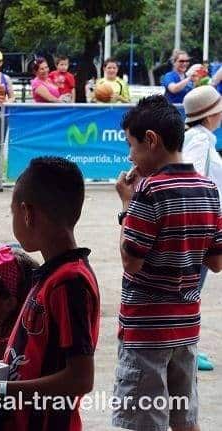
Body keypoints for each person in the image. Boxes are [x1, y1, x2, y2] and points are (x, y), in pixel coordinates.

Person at [0, 157, 100, 431]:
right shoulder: (51, 274)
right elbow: (34, 361)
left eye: (12, 213)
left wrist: (0, 390)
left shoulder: (69, 282)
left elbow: (80, 378)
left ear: (27, 213)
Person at [112, 95, 221, 431]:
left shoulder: (150, 193)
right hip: (186, 329)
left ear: (152, 141)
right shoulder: (208, 189)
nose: (130, 155)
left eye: (132, 145)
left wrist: (128, 205)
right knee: (184, 419)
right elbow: (215, 262)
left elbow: (131, 261)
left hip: (146, 331)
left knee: (143, 421)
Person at [181, 85, 222, 372]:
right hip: (202, 227)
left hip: (202, 225)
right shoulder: (199, 141)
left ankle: (187, 347)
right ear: (210, 115)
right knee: (191, 290)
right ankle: (185, 351)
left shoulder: (202, 138)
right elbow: (191, 179)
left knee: (192, 289)